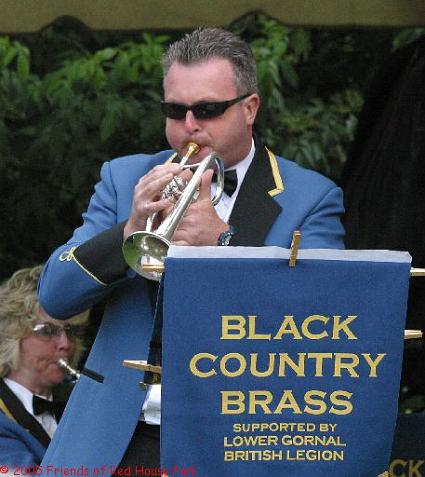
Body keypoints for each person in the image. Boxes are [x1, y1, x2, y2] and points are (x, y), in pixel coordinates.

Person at [38, 27, 345, 471]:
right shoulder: (124, 179)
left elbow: (321, 325)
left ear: (250, 108)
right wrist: (129, 231)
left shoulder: (311, 197)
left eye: (208, 110)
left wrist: (223, 244)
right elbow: (55, 296)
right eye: (175, 110)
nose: (189, 126)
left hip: (240, 436)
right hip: (119, 434)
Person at [0, 265, 88, 465]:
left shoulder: (75, 406)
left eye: (71, 331)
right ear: (11, 335)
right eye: (47, 331)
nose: (66, 344)